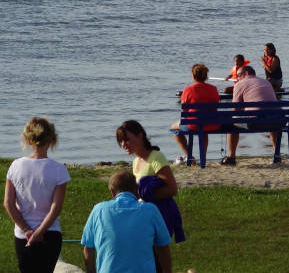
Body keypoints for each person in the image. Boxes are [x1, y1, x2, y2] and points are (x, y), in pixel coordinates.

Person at [4, 117, 70, 273]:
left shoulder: (16, 166)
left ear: (28, 140)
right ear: (52, 139)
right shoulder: (59, 169)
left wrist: (27, 230)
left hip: (22, 235)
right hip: (50, 233)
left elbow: (8, 203)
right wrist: (39, 233)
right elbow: (56, 208)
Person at [81, 170, 172, 273]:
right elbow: (163, 247)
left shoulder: (99, 210)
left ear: (112, 191)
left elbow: (88, 248)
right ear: (137, 189)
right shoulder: (150, 210)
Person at [223, 65, 280, 166]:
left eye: (238, 75)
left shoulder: (240, 84)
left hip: (255, 123)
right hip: (277, 123)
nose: (237, 78)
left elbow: (234, 110)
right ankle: (277, 154)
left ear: (246, 73)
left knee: (232, 122)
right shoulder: (266, 82)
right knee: (271, 116)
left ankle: (231, 157)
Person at [171, 63, 220, 162]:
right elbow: (215, 108)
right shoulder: (213, 89)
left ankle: (189, 156)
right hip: (211, 124)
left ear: (193, 76)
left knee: (174, 129)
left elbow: (184, 111)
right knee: (204, 128)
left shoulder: (188, 90)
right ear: (206, 76)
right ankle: (204, 158)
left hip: (193, 125)